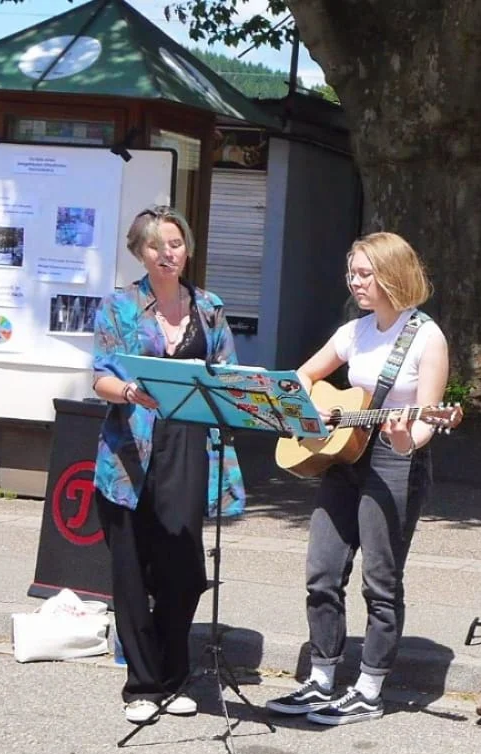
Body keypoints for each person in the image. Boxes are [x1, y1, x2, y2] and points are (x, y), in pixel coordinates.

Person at [266, 232, 449, 726]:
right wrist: (312, 412)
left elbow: (427, 419)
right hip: (344, 455)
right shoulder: (355, 331)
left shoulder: (426, 336)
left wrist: (407, 438)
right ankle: (321, 677)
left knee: (380, 580)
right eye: (353, 272)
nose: (355, 281)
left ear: (392, 274)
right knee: (322, 572)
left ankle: (369, 689)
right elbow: (301, 377)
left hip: (395, 460)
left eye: (365, 273)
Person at [91, 206, 245, 725]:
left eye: (175, 244)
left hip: (190, 445)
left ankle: (174, 676)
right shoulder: (119, 307)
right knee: (132, 571)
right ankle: (142, 685)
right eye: (156, 245)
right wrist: (129, 391)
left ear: (187, 249)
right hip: (130, 449)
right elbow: (100, 377)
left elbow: (227, 375)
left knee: (183, 570)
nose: (167, 253)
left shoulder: (210, 307)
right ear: (140, 252)